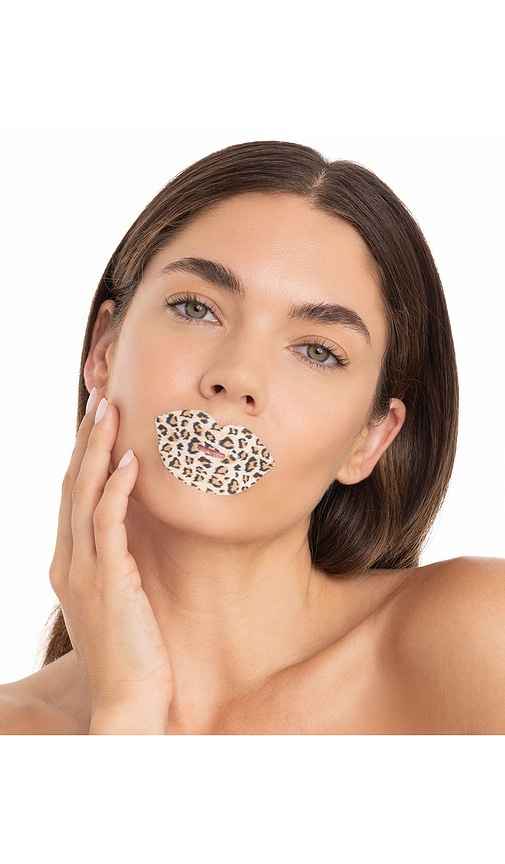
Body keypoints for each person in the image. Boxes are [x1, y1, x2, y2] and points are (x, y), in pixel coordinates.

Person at [2, 140, 504, 734]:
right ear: (104, 350)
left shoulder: (477, 636)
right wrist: (127, 709)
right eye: (196, 309)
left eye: (317, 351)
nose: (237, 377)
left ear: (369, 440)